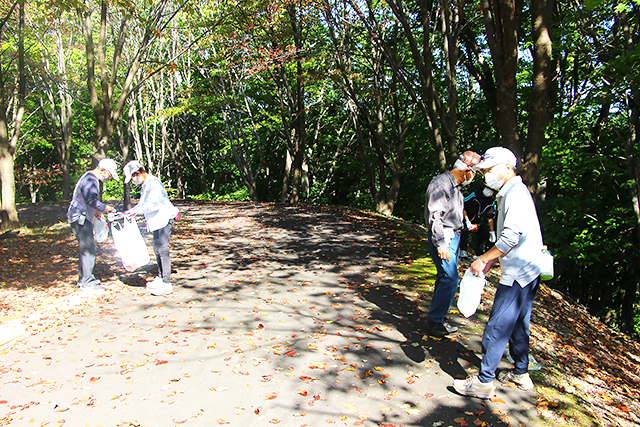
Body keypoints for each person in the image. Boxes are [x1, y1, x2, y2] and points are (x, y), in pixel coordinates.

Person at [453, 147, 544, 399]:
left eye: (490, 170)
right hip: (528, 269)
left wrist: (483, 259)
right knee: (518, 323)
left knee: (497, 326)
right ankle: (521, 372)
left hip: (519, 272)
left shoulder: (514, 193)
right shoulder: (512, 191)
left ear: (507, 167)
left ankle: (483, 382)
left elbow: (511, 236)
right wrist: (493, 262)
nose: (486, 176)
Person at [423, 150, 480, 337]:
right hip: (444, 237)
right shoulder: (441, 184)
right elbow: (434, 216)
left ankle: (438, 317)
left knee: (444, 277)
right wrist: (441, 244)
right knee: (450, 278)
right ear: (466, 170)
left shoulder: (456, 187)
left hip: (453, 236)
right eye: (475, 172)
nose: (475, 176)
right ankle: (435, 321)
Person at [123, 160, 179, 296]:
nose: (132, 180)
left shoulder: (153, 183)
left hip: (164, 217)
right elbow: (143, 203)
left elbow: (153, 205)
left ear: (137, 173)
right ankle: (160, 277)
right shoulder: (145, 184)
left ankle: (166, 283)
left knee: (162, 249)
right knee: (156, 248)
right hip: (157, 220)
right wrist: (131, 211)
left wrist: (137, 211)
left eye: (132, 177)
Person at [67, 158, 119, 292]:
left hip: (81, 217)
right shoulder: (91, 179)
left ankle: (83, 279)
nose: (109, 177)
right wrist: (105, 207)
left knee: (86, 248)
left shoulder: (88, 177)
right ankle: (87, 282)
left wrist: (96, 211)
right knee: (89, 249)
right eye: (109, 174)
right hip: (80, 218)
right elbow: (91, 200)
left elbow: (86, 199)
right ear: (102, 170)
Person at [459, 185, 496, 258]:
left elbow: (490, 217)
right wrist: (467, 221)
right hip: (465, 219)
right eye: (488, 189)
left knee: (483, 233)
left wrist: (492, 232)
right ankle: (463, 250)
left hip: (476, 221)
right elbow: (463, 207)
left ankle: (478, 253)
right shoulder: (474, 195)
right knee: (464, 231)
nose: (489, 191)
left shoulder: (491, 201)